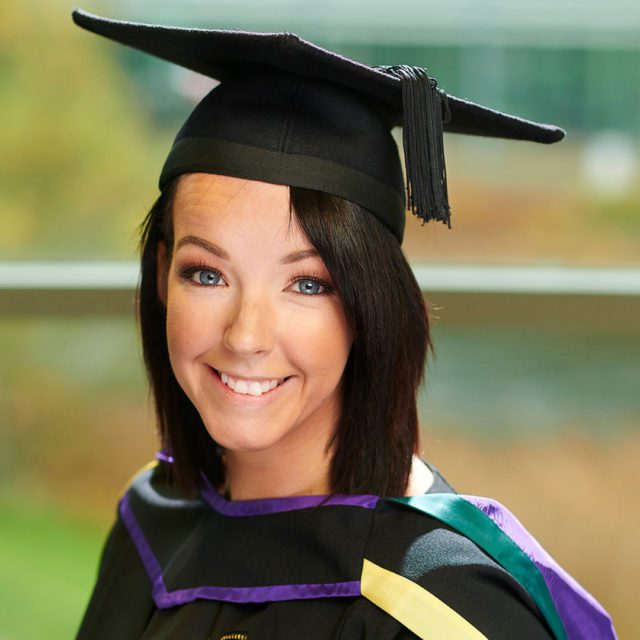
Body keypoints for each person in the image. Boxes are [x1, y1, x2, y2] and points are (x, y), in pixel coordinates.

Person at [72, 9, 617, 640]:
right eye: (207, 274)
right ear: (163, 275)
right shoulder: (151, 523)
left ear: (368, 305)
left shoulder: (444, 603)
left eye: (308, 283)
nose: (246, 336)